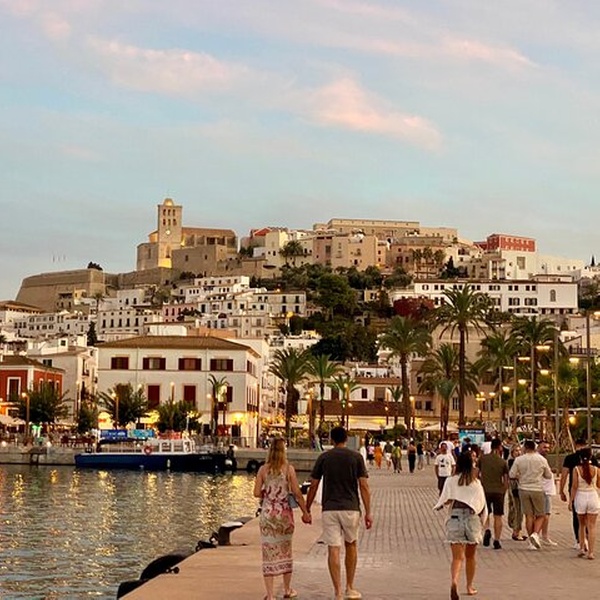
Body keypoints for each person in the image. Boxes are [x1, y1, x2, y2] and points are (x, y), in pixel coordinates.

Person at [306, 426, 372, 600]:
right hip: (351, 508)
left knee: (333, 549)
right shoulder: (356, 457)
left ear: (332, 440)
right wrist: (368, 512)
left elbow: (313, 485)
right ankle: (350, 587)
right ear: (346, 439)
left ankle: (337, 592)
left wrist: (307, 508)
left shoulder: (324, 457)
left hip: (330, 508)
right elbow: (364, 485)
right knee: (351, 545)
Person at [253, 438, 311, 600]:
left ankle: (270, 595)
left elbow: (256, 493)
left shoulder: (263, 470)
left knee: (268, 554)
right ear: (284, 451)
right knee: (286, 552)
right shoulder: (288, 469)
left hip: (267, 516)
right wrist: (305, 512)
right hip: (284, 516)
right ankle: (287, 589)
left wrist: (267, 493)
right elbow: (297, 493)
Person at [433, 451, 487, 600]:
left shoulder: (451, 480)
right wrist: (483, 522)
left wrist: (448, 501)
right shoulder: (475, 483)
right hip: (471, 518)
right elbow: (481, 504)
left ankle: (454, 581)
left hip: (455, 517)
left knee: (457, 558)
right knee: (470, 556)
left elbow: (445, 500)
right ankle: (469, 586)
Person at [508, 439, 553, 551]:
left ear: (525, 448)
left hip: (523, 489)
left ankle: (531, 541)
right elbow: (548, 475)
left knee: (529, 515)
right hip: (537, 489)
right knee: (541, 514)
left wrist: (521, 476)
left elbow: (511, 474)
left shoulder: (519, 460)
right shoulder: (541, 459)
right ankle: (535, 534)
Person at [559, 438, 598, 549]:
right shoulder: (593, 459)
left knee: (577, 518)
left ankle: (579, 540)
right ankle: (589, 543)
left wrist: (561, 491)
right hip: (592, 493)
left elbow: (564, 475)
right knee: (591, 522)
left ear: (575, 445)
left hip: (576, 492)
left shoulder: (570, 458)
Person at [479, 438, 509, 549]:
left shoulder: (482, 459)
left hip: (485, 490)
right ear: (500, 447)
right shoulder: (502, 462)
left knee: (486, 513)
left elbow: (477, 473)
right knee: (498, 516)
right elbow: (506, 480)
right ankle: (497, 540)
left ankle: (487, 529)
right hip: (498, 492)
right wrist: (503, 491)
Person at [570, 446, 600, 559]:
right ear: (591, 456)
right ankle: (591, 552)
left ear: (580, 457)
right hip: (593, 497)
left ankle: (582, 548)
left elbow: (574, 486)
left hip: (580, 497)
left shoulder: (576, 469)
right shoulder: (596, 469)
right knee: (592, 526)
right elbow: (598, 485)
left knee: (581, 525)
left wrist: (571, 501)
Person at [537, 440, 558, 546]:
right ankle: (542, 536)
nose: (547, 450)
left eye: (548, 447)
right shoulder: (540, 459)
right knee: (545, 514)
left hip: (545, 489)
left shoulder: (543, 459)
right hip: (544, 490)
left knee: (543, 514)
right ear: (538, 448)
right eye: (544, 447)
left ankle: (539, 535)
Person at [507, 445, 526, 541]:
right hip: (515, 487)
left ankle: (515, 528)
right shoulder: (512, 462)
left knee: (514, 507)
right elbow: (513, 475)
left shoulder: (518, 461)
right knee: (518, 509)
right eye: (516, 451)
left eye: (519, 450)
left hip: (514, 486)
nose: (518, 452)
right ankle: (516, 531)